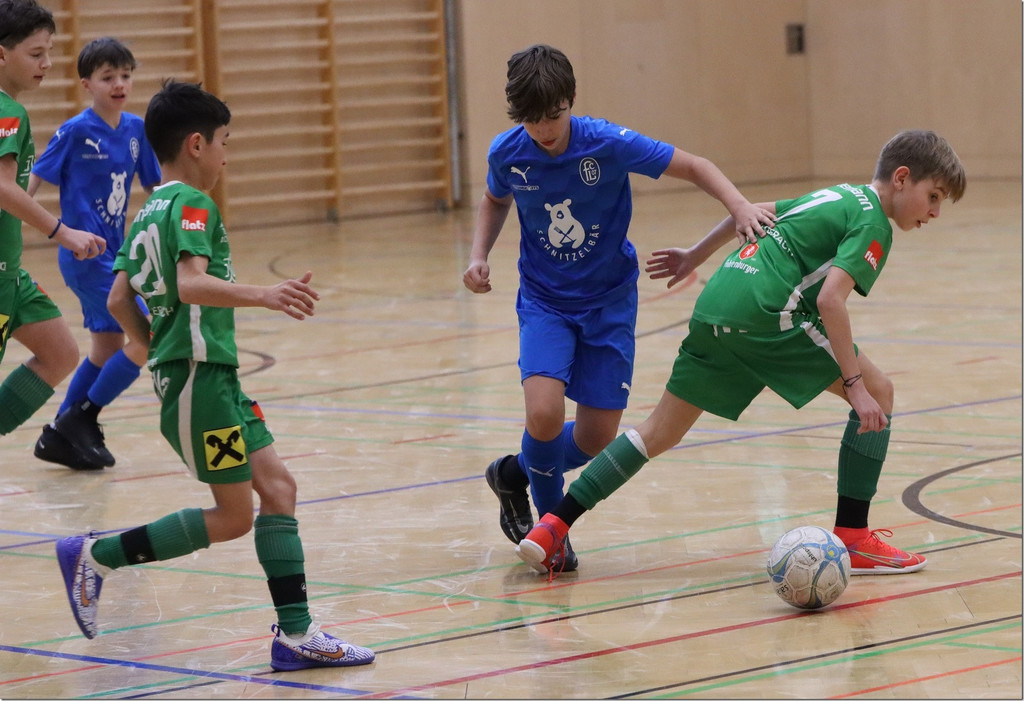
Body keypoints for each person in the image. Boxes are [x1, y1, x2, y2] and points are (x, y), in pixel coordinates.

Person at [515, 129, 967, 578]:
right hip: (766, 314)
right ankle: (853, 536)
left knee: (658, 432)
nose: (935, 211)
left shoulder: (837, 195)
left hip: (718, 302)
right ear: (901, 178)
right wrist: (856, 387)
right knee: (879, 392)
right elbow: (831, 300)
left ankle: (552, 525)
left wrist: (695, 255)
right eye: (934, 196)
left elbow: (752, 212)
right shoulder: (873, 225)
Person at [55, 80, 374, 671]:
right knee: (233, 517)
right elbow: (190, 284)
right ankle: (98, 555)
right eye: (224, 141)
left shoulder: (147, 212)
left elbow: (121, 298)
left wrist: (156, 348)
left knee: (279, 489)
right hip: (200, 384)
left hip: (209, 379)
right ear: (196, 144)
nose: (227, 155)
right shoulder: (194, 205)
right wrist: (265, 294)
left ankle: (296, 636)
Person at [462, 44, 773, 571]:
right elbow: (495, 199)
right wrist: (478, 255)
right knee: (544, 413)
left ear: (572, 99)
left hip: (609, 302)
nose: (544, 130)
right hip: (545, 301)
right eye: (532, 120)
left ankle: (513, 473)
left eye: (555, 115)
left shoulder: (607, 143)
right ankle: (551, 531)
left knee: (595, 439)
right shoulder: (507, 152)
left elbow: (695, 166)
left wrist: (739, 206)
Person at [30, 36, 161, 471]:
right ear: (87, 84)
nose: (119, 84)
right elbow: (31, 183)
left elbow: (156, 188)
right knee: (148, 332)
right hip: (84, 257)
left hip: (117, 256)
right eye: (108, 77)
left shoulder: (136, 130)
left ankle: (60, 433)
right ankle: (82, 418)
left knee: (108, 344)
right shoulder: (74, 131)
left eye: (125, 75)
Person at [0, 0, 108, 443]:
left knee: (59, 353)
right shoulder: (8, 112)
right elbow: (3, 188)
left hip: (11, 274)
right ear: (2, 54)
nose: (46, 63)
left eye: (49, 51)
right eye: (35, 53)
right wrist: (64, 232)